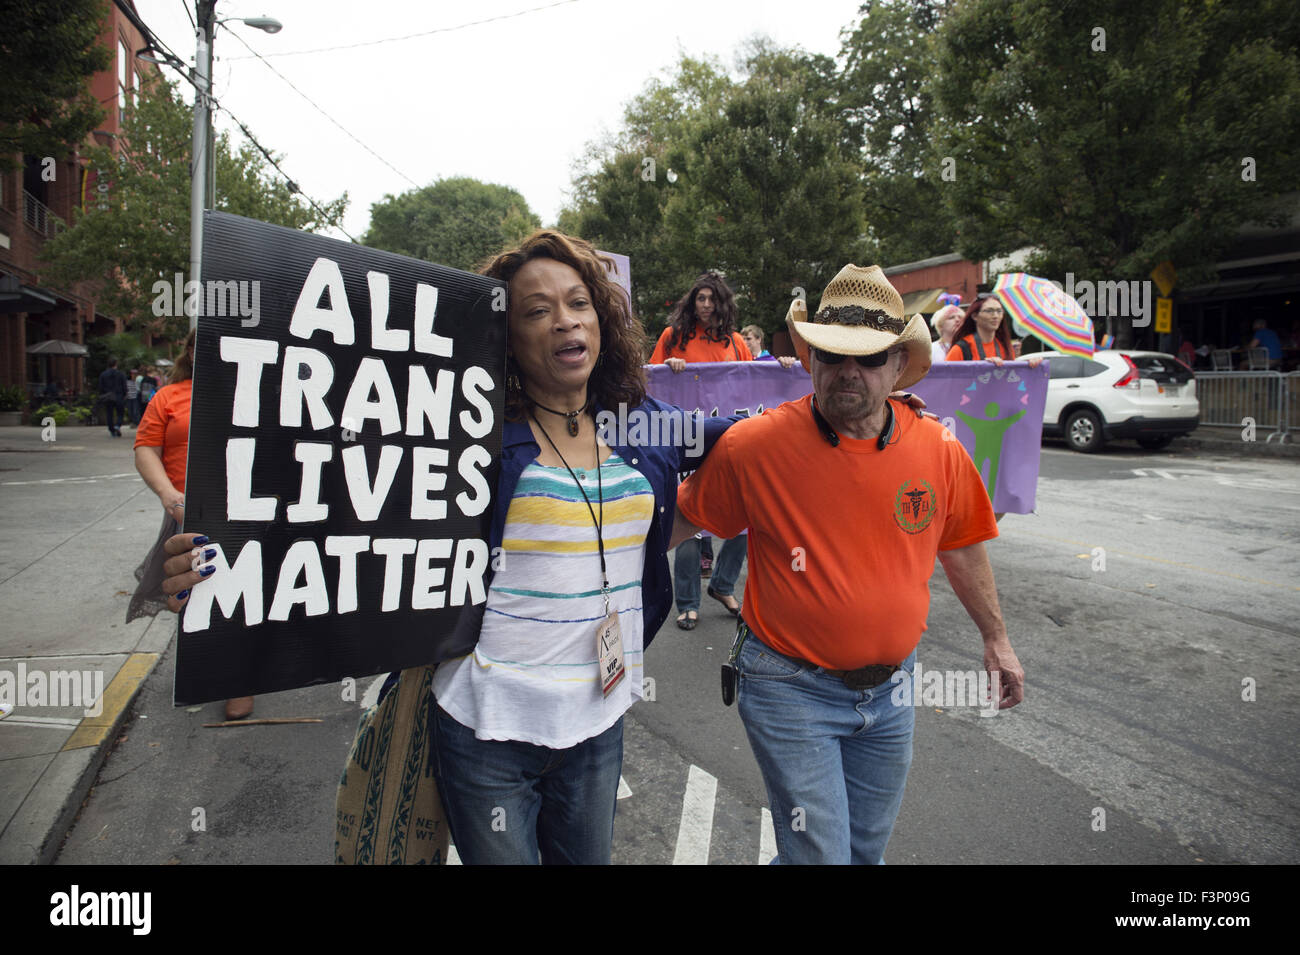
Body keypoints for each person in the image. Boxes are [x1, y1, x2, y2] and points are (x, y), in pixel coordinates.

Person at [153, 231, 737, 864]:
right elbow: (327, 515)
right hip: (485, 729)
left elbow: (741, 445)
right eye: (536, 310)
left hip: (601, 720)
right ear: (503, 337)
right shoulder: (461, 440)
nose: (564, 320)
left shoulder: (642, 423)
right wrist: (217, 570)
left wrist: (825, 397)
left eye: (578, 302)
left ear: (601, 316)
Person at [676, 264, 1026, 865]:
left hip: (892, 691)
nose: (848, 373)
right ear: (810, 358)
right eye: (832, 355)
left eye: (868, 359)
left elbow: (963, 543)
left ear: (897, 365)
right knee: (822, 858)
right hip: (788, 689)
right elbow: (681, 522)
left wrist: (996, 639)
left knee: (864, 854)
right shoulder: (752, 446)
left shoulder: (937, 447)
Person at [650, 273, 752, 629]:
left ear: (722, 303)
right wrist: (669, 367)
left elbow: (755, 384)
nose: (705, 305)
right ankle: (688, 601)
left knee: (744, 519)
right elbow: (651, 383)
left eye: (711, 299)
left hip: (730, 439)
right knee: (689, 514)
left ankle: (723, 585)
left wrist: (784, 367)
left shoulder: (737, 342)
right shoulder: (672, 338)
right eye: (700, 299)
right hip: (690, 440)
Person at [98, 358, 127, 437]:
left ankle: (111, 430)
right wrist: (125, 394)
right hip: (119, 395)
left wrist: (102, 394)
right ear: (116, 364)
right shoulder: (121, 374)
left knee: (109, 413)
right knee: (120, 413)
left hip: (108, 396)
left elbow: (100, 386)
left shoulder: (103, 374)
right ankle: (118, 425)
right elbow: (124, 386)